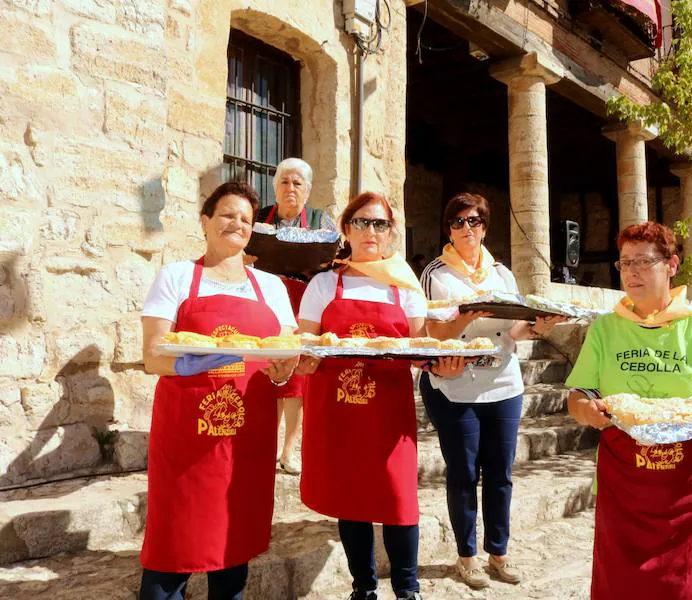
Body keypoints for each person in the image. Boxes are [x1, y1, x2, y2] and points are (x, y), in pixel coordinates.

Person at [293, 192, 463, 600]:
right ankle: (363, 588)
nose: (372, 231)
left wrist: (442, 362)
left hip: (387, 414)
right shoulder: (323, 283)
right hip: (337, 412)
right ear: (346, 229)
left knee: (398, 500)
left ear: (391, 233)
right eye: (363, 222)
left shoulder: (403, 287)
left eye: (381, 224)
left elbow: (420, 348)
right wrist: (302, 359)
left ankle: (408, 589)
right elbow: (305, 344)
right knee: (350, 500)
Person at [139, 181, 299, 600]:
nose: (237, 224)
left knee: (233, 549)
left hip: (248, 436)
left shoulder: (272, 287)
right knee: (170, 553)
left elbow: (283, 356)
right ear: (206, 220)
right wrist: (192, 361)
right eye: (228, 214)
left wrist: (284, 373)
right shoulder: (176, 276)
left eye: (246, 219)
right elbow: (153, 356)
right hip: (186, 440)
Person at [565, 221, 692, 600]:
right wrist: (585, 411)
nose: (632, 272)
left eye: (644, 261)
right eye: (625, 263)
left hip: (687, 489)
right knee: (620, 585)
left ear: (671, 266)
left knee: (686, 586)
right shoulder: (605, 329)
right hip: (625, 485)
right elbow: (577, 394)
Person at [418, 193, 566, 589]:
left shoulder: (502, 274)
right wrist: (467, 316)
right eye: (458, 222)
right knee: (464, 473)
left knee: (500, 474)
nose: (467, 228)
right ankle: (466, 557)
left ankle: (498, 553)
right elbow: (433, 332)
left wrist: (537, 327)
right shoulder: (438, 273)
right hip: (455, 386)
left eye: (474, 221)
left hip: (503, 383)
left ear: (485, 226)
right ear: (448, 228)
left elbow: (511, 330)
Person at [253, 158, 337, 475]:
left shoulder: (320, 220)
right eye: (284, 182)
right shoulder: (260, 218)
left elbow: (335, 258)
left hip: (305, 301)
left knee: (297, 377)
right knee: (267, 369)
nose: (290, 188)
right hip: (268, 300)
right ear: (275, 188)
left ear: (308, 190)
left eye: (297, 183)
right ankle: (268, 444)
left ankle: (290, 449)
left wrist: (321, 263)